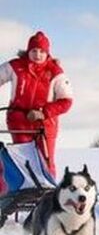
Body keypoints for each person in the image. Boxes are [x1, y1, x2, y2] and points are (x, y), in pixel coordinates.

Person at [0, 31, 73, 176]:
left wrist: (43, 113)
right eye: (34, 50)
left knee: (46, 161)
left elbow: (66, 101)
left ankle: (49, 192)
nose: (37, 54)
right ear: (28, 51)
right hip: (19, 122)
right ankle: (23, 193)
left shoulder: (55, 72)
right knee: (22, 160)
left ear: (47, 53)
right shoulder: (16, 66)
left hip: (45, 125)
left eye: (42, 51)